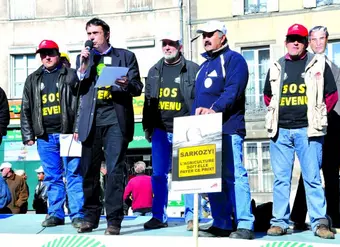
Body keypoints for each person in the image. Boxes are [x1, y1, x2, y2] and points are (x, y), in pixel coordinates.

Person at [264, 24, 338, 239]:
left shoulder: (318, 64)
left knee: (313, 178)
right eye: (291, 39)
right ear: (286, 42)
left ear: (306, 43)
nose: (295, 42)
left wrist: (317, 116)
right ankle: (279, 222)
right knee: (281, 179)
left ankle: (319, 223)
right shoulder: (277, 66)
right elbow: (268, 96)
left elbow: (331, 95)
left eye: (299, 39)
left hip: (309, 131)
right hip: (281, 132)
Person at [75, 18, 143, 235]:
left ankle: (114, 219)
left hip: (115, 119)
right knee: (89, 171)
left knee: (114, 171)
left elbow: (137, 87)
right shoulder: (85, 58)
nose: (91, 38)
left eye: (95, 33)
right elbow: (77, 86)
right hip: (91, 121)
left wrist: (125, 84)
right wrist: (84, 64)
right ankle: (90, 217)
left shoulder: (125, 56)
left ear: (106, 34)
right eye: (88, 34)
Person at [291, 26, 340, 230]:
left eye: (322, 39)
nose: (318, 43)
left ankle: (333, 221)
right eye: (314, 39)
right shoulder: (304, 64)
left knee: (331, 175)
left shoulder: (334, 67)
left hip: (334, 128)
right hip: (313, 128)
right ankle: (297, 219)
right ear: (309, 42)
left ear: (327, 40)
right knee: (309, 174)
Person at [192, 20, 255, 240]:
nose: (206, 38)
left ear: (223, 37)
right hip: (206, 131)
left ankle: (245, 223)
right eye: (204, 35)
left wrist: (214, 110)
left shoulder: (234, 60)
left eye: (211, 34)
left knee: (234, 175)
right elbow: (196, 99)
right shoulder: (204, 66)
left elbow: (233, 91)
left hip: (228, 128)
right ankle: (221, 222)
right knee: (211, 177)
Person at [20, 39, 84, 227]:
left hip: (69, 134)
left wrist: (78, 128)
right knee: (52, 176)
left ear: (57, 54)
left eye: (50, 53)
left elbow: (82, 103)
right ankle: (55, 214)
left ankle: (77, 214)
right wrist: (28, 134)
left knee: (73, 174)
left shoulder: (71, 75)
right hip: (45, 137)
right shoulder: (32, 79)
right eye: (43, 54)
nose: (47, 57)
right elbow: (26, 107)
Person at [142, 32, 200, 231]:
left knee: (189, 175)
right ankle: (158, 216)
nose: (167, 47)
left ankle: (193, 217)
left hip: (185, 129)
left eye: (172, 44)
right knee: (158, 175)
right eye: (164, 44)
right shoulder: (153, 71)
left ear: (180, 47)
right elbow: (148, 102)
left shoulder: (193, 69)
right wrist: (147, 127)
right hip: (159, 129)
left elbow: (199, 98)